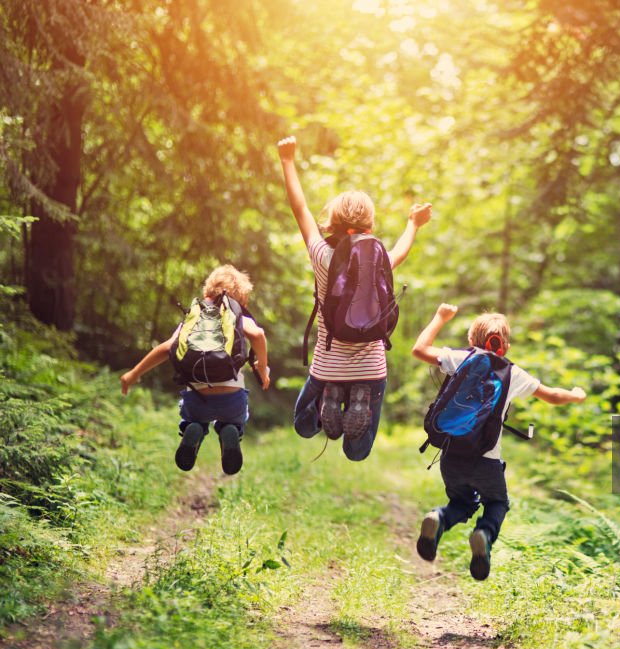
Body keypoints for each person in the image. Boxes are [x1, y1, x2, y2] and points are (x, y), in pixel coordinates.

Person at [277, 135, 432, 461]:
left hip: (327, 365)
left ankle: (330, 394)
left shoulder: (322, 255)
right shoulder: (379, 261)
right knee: (357, 451)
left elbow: (300, 208)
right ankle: (356, 396)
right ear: (368, 223)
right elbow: (401, 250)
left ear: (333, 220)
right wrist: (413, 224)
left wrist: (287, 160)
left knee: (304, 426)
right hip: (371, 367)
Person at [411, 303, 586, 580]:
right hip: (487, 461)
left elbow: (419, 350)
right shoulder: (513, 373)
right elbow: (552, 395)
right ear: (505, 345)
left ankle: (439, 519)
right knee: (496, 503)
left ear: (472, 339)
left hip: (451, 455)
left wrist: (440, 317)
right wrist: (576, 395)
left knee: (462, 502)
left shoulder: (460, 357)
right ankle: (483, 534)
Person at [120, 265, 271, 475]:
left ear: (207, 291)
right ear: (241, 298)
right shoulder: (236, 314)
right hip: (232, 399)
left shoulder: (194, 316)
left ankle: (195, 429)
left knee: (194, 418)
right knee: (236, 419)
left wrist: (133, 374)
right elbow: (258, 335)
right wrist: (262, 369)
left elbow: (166, 348)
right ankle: (231, 431)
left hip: (197, 400)